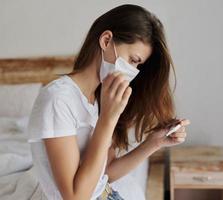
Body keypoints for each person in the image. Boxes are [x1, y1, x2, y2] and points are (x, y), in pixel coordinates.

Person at [27, 4, 190, 200]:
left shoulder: (99, 96)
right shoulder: (58, 99)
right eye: (132, 59)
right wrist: (107, 119)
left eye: (138, 65)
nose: (133, 71)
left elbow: (106, 173)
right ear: (106, 40)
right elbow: (75, 197)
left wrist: (154, 143)